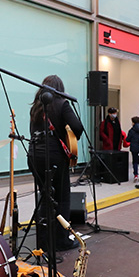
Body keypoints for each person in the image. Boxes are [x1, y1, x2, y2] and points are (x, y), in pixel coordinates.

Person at [28, 74, 84, 252]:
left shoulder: (36, 106)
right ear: (60, 89)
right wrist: (70, 138)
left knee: (45, 197)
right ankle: (61, 241)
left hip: (34, 156)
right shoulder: (62, 103)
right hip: (54, 157)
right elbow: (78, 127)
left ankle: (43, 242)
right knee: (62, 198)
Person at [125, 116, 139, 184]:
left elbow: (127, 139)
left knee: (135, 162)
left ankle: (136, 175)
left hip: (134, 148)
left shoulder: (131, 130)